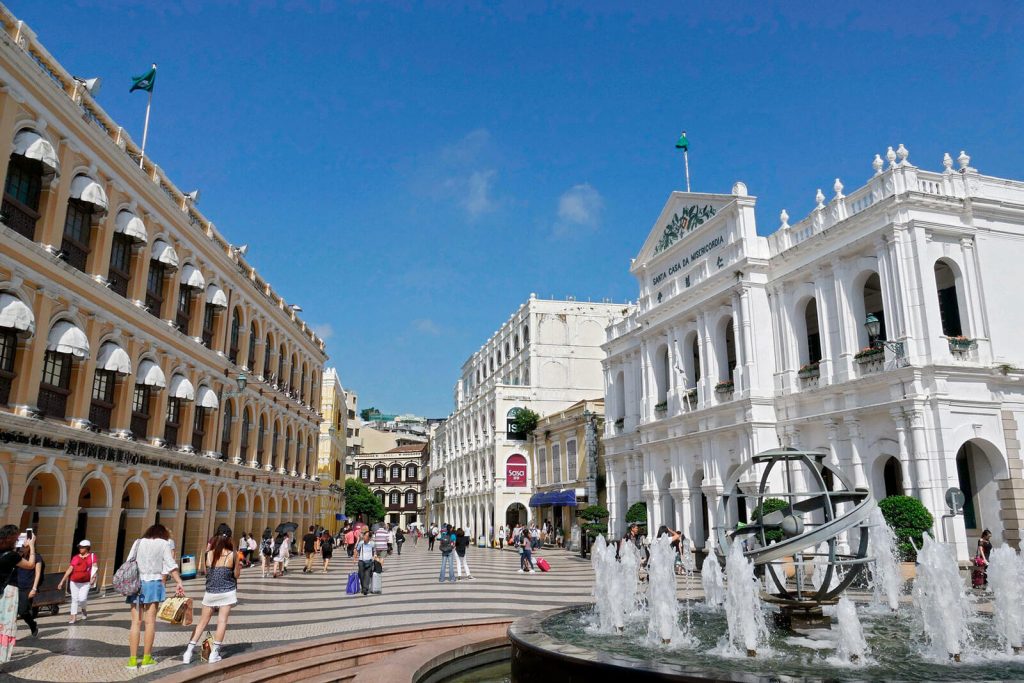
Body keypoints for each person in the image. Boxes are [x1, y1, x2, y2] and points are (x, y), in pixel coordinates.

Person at [125, 524, 185, 669]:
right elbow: (170, 565)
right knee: (150, 622)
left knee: (135, 623)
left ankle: (132, 660)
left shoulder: (138, 542)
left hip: (137, 584)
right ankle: (146, 658)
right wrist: (179, 581)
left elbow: (128, 561)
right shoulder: (164, 544)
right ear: (163, 534)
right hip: (153, 583)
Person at [183, 527, 240, 664]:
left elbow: (206, 572)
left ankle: (188, 653)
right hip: (227, 591)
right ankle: (214, 654)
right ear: (229, 538)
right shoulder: (233, 554)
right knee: (222, 621)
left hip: (210, 592)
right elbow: (236, 575)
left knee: (202, 622)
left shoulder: (208, 554)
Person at [0, 526, 34, 665]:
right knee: (5, 625)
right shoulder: (12, 556)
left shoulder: (8, 554)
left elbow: (10, 559)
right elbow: (30, 564)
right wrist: (31, 547)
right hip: (8, 592)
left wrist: (21, 551)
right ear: (12, 539)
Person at [56, 539, 97, 624]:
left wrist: (93, 578)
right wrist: (62, 581)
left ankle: (83, 609)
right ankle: (73, 617)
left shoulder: (92, 556)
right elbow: (70, 569)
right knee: (74, 599)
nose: (80, 549)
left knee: (83, 599)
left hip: (85, 582)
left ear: (87, 548)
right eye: (79, 547)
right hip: (74, 581)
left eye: (82, 547)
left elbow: (95, 567)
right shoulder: (75, 557)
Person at [14, 537, 41, 638]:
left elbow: (37, 573)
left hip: (27, 588)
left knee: (23, 611)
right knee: (13, 613)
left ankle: (32, 624)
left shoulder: (37, 557)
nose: (23, 545)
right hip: (15, 587)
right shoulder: (18, 556)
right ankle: (10, 635)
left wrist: (34, 588)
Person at [353, 530, 375, 595]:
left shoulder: (372, 544)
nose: (364, 537)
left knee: (367, 575)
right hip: (361, 561)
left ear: (369, 538)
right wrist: (355, 558)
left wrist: (374, 557)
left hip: (369, 561)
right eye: (364, 535)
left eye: (366, 536)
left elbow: (374, 551)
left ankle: (365, 589)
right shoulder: (361, 543)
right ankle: (363, 587)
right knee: (361, 575)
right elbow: (357, 550)